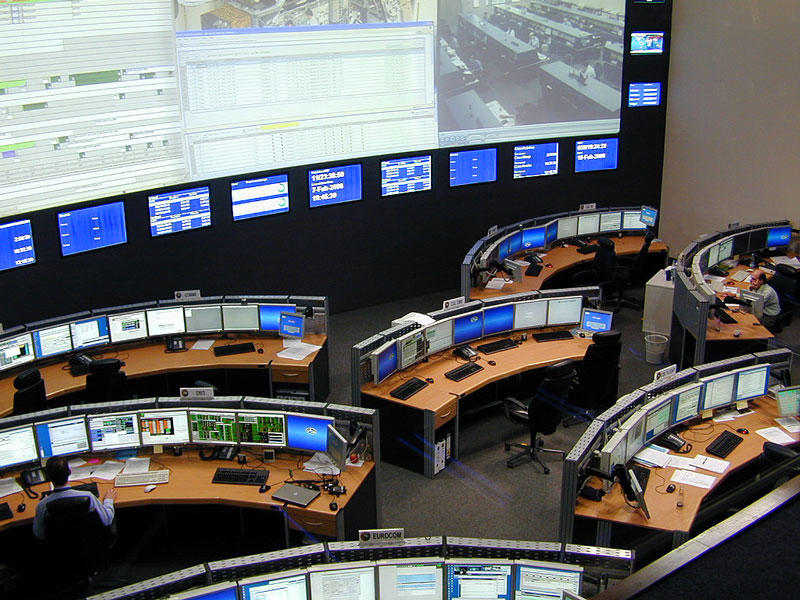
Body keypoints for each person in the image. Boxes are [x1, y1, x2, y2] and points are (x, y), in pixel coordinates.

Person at [32, 456, 117, 540]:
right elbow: (107, 520)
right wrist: (108, 501)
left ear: (47, 476)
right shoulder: (88, 497)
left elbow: (40, 535)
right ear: (69, 472)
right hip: (89, 544)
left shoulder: (42, 505)